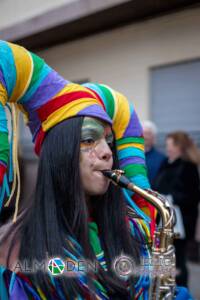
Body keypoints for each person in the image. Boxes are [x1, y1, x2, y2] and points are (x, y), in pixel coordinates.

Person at [0, 40, 192, 299]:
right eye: (89, 140)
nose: (107, 152)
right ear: (60, 155)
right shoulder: (17, 248)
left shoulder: (134, 229)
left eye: (109, 141)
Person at [154, 131, 200, 287]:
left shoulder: (188, 166)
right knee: (164, 256)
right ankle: (165, 287)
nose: (167, 148)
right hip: (164, 218)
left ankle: (180, 291)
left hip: (181, 223)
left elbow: (192, 195)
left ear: (179, 147)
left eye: (170, 145)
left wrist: (171, 198)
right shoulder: (167, 162)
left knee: (178, 258)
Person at [142, 120, 166, 187]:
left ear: (154, 137)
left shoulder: (162, 159)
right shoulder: (132, 157)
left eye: (148, 134)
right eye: (143, 133)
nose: (145, 137)